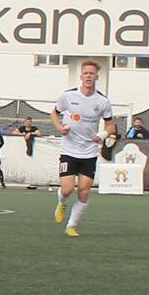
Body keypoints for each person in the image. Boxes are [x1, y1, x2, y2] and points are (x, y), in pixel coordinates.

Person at [52, 61, 114, 236]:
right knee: (67, 189)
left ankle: (71, 226)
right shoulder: (68, 96)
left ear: (96, 77)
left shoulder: (102, 101)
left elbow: (111, 126)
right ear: (81, 76)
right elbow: (54, 113)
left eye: (91, 74)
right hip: (69, 150)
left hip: (89, 152)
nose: (88, 76)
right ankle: (62, 203)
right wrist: (59, 127)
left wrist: (102, 135)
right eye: (85, 73)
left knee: (84, 190)